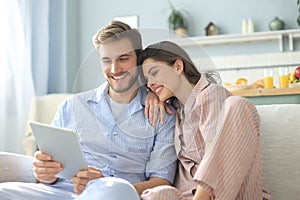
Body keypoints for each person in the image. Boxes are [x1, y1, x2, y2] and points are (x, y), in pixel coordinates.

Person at [0, 21, 177, 199]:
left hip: (114, 195)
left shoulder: (163, 114)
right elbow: (47, 168)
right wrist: (43, 173)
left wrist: (105, 185)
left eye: (123, 59)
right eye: (107, 61)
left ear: (139, 60)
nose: (114, 69)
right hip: (58, 192)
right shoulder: (71, 106)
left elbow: (161, 181)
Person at [140, 41, 270, 200]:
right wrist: (151, 94)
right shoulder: (173, 110)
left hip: (224, 195)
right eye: (147, 79)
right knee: (157, 195)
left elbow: (216, 152)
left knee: (237, 104)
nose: (150, 83)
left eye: (155, 73)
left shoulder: (212, 95)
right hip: (185, 195)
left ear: (178, 67)